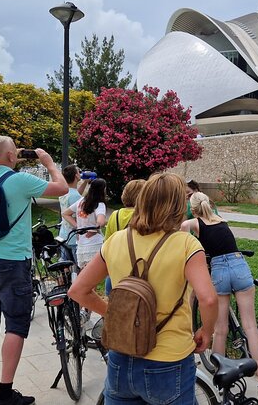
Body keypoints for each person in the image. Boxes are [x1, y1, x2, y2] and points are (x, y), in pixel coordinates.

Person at [69, 173, 218, 405]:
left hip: (122, 354)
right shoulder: (186, 244)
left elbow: (78, 290)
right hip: (169, 358)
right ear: (179, 205)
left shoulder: (116, 240)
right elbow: (208, 299)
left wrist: (115, 315)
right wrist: (206, 332)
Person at [0, 136, 68, 405]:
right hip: (12, 262)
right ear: (12, 155)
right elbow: (62, 188)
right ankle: (6, 393)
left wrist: (9, 158)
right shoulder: (21, 181)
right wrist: (48, 162)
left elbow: (0, 173)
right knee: (16, 325)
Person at [181, 191, 258, 404]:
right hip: (240, 265)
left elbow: (181, 236)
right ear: (210, 205)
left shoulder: (193, 223)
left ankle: (221, 385)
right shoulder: (222, 220)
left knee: (220, 329)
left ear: (193, 209)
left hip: (219, 269)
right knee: (250, 326)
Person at [102, 178, 145, 294]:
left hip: (114, 270)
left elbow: (107, 243)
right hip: (135, 271)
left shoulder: (115, 215)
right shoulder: (143, 217)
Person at [62, 178, 107, 270]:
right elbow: (101, 221)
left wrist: (78, 226)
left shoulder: (81, 202)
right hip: (94, 243)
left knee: (84, 274)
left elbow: (65, 213)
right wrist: (98, 226)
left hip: (81, 244)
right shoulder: (99, 204)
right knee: (95, 276)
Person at [57, 165, 89, 257]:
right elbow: (77, 198)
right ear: (76, 176)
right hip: (73, 236)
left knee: (65, 264)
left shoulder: (64, 192)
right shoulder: (76, 197)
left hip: (64, 234)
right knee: (76, 265)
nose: (81, 173)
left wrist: (85, 182)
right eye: (79, 172)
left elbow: (75, 193)